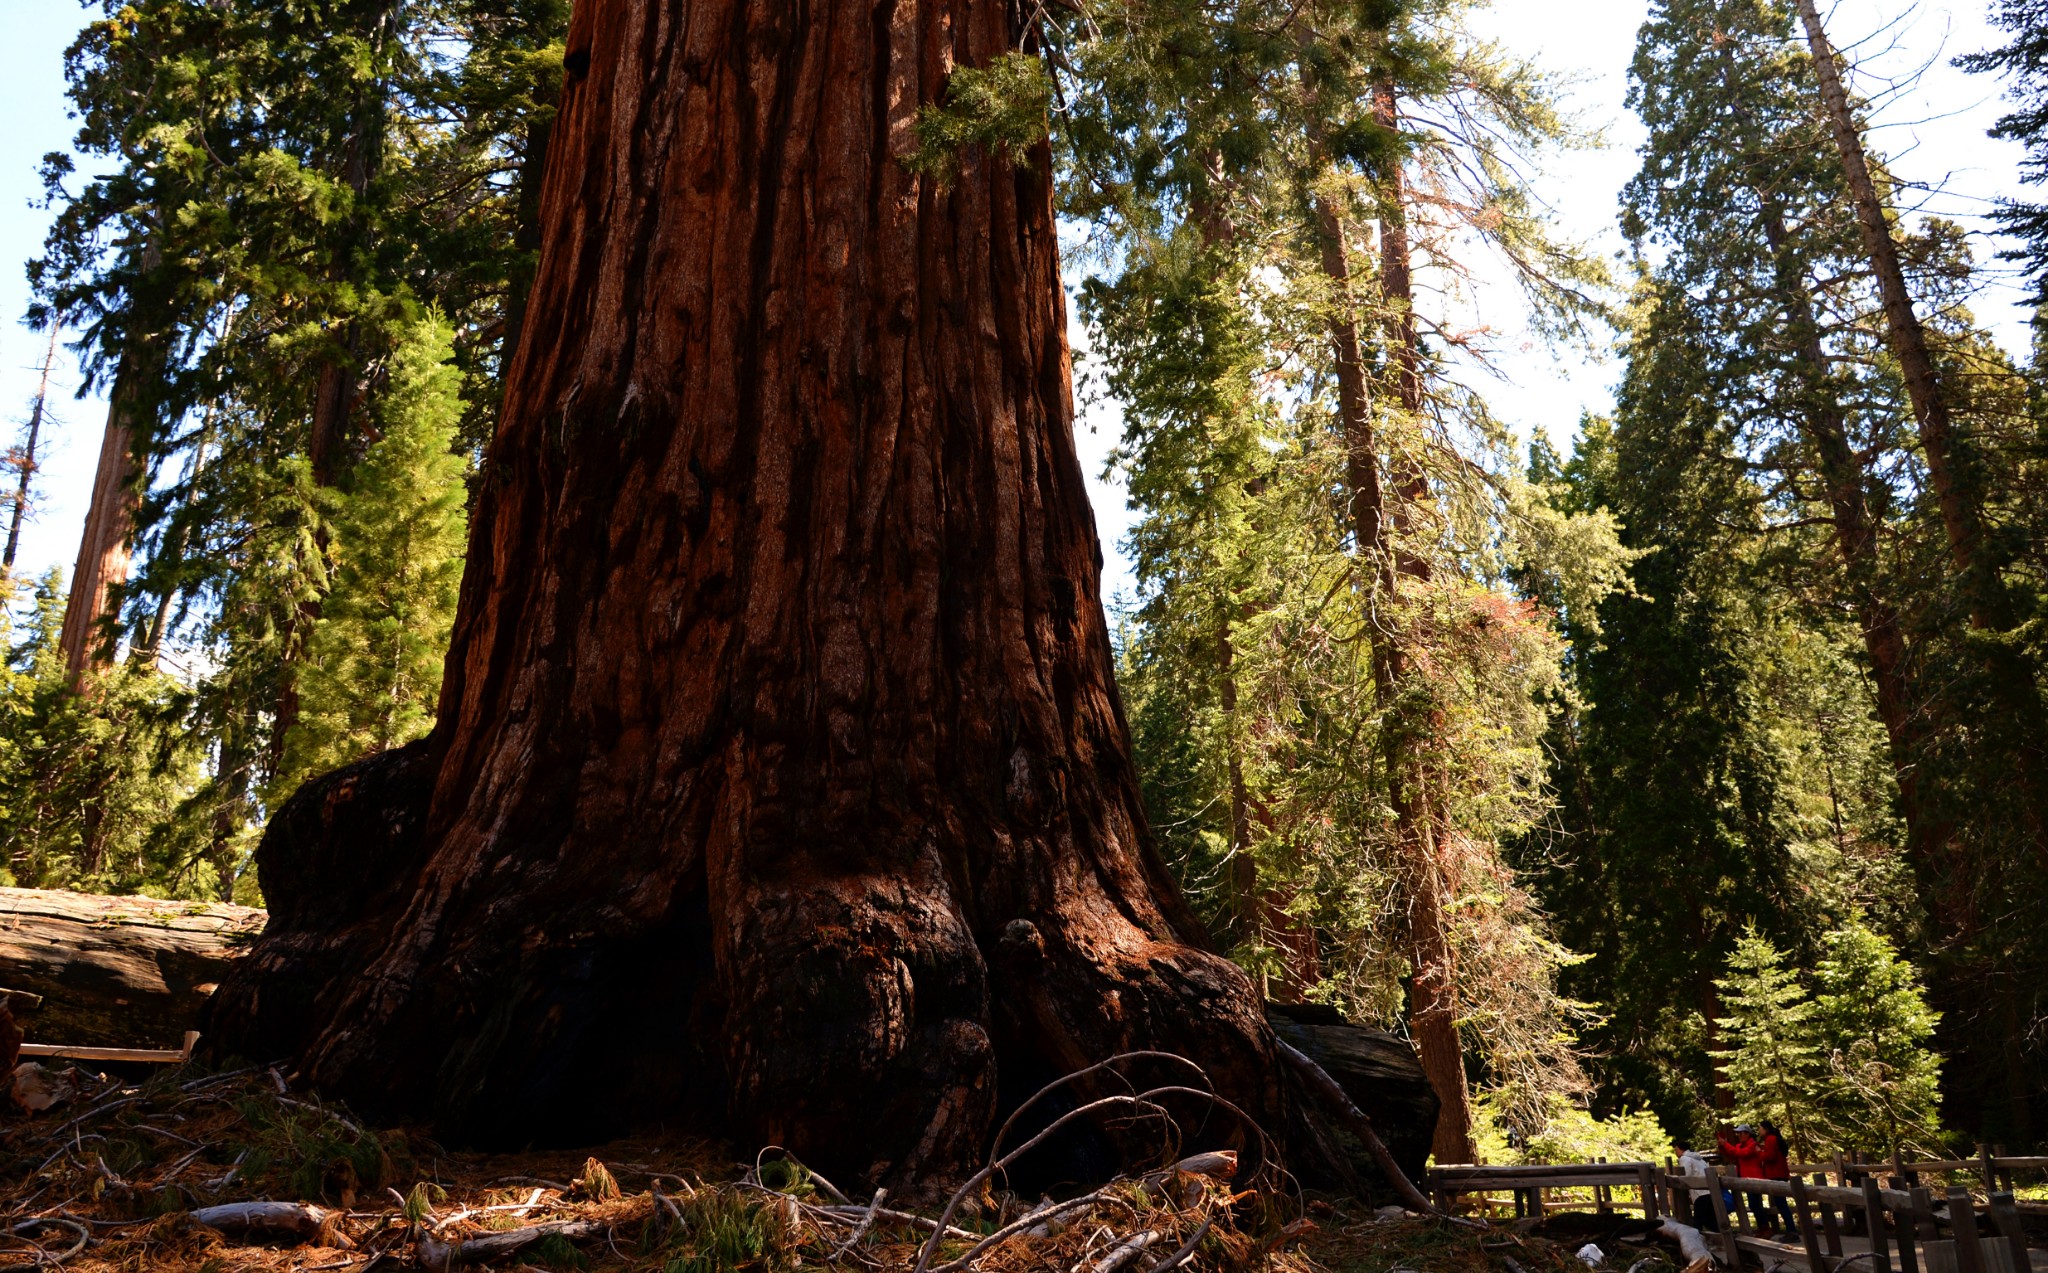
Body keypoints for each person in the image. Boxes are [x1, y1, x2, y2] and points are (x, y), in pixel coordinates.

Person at [1716, 1124, 1768, 1233]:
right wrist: (1722, 1146)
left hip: (1754, 1178)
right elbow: (1732, 1154)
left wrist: (1726, 1144)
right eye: (1737, 1133)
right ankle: (1763, 1228)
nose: (1738, 1135)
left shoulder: (1753, 1145)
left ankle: (1765, 1228)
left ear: (1747, 1134)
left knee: (1755, 1205)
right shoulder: (1740, 1145)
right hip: (1746, 1179)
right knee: (1754, 1205)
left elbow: (1741, 1153)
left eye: (1740, 1133)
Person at [1754, 1121, 1797, 1235]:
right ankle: (1791, 1230)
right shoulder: (1772, 1139)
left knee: (1781, 1203)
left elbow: (1770, 1156)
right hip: (1779, 1174)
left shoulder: (1771, 1139)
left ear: (1765, 1129)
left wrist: (1759, 1153)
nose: (1759, 1130)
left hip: (1776, 1174)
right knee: (1780, 1203)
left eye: (1760, 1128)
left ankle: (1791, 1231)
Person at [1676, 1140, 1717, 1231]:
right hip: (1709, 1191)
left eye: (1676, 1150)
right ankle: (1721, 1238)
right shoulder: (1699, 1159)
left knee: (1698, 1221)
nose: (1676, 1152)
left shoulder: (1684, 1159)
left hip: (1699, 1192)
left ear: (1681, 1150)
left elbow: (1686, 1175)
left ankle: (1695, 1240)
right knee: (1710, 1219)